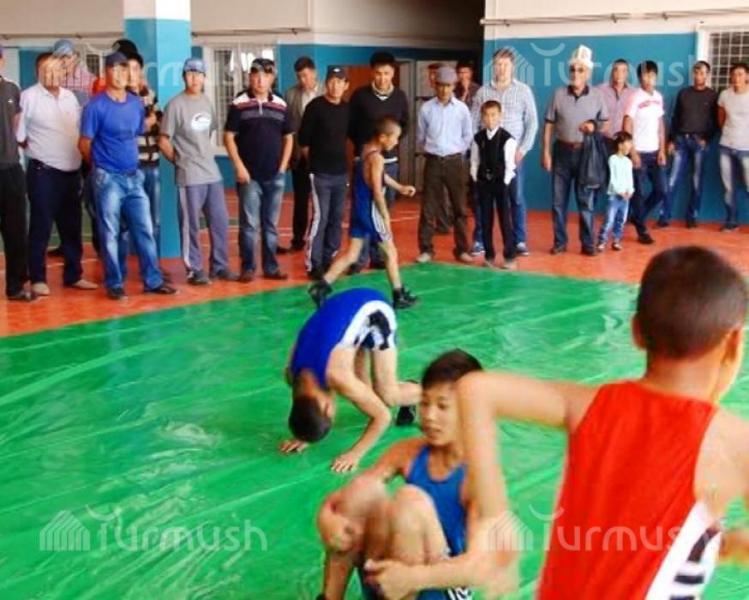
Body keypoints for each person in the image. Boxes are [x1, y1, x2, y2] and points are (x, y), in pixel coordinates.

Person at [457, 245, 749, 598]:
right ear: (735, 341)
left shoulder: (588, 405)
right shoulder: (735, 445)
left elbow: (476, 389)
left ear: (636, 331)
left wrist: (494, 518)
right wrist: (734, 544)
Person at [317, 350, 517, 599]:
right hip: (392, 577)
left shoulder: (479, 478)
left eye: (442, 406)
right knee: (363, 490)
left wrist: (413, 577)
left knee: (410, 502)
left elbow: (476, 568)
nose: (430, 416)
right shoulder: (409, 451)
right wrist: (327, 517)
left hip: (440, 585)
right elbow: (349, 496)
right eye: (424, 403)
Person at [281, 287, 422, 472]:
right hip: (342, 311)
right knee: (364, 393)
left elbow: (383, 417)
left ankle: (435, 392)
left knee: (388, 397)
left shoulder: (337, 375)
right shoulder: (293, 376)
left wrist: (355, 453)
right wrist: (304, 434)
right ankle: (408, 392)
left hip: (374, 309)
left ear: (328, 408)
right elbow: (304, 405)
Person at [79, 51, 176, 300]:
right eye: (115, 69)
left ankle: (153, 281)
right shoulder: (95, 106)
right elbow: (84, 143)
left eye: (125, 69)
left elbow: (134, 133)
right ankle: (114, 282)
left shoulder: (135, 104)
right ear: (106, 73)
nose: (121, 74)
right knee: (111, 233)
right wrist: (101, 168)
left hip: (134, 176)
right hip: (108, 178)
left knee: (144, 229)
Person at [307, 117, 418, 310]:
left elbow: (379, 175)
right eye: (395, 138)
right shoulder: (377, 158)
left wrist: (399, 187)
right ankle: (398, 294)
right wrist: (385, 216)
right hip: (370, 210)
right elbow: (377, 189)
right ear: (383, 137)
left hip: (358, 209)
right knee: (390, 251)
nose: (396, 142)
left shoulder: (366, 150)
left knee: (352, 254)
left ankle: (321, 286)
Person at [18, 53, 96, 296]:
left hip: (71, 173)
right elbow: (19, 135)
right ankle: (38, 278)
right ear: (38, 72)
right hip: (44, 173)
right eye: (47, 69)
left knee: (71, 228)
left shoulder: (70, 97)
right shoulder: (28, 97)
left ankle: (74, 275)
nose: (53, 74)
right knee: (41, 227)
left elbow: (77, 131)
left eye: (57, 69)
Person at [159, 58, 237, 285]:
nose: (195, 78)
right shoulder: (175, 105)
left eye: (199, 74)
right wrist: (180, 161)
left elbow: (207, 133)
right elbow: (163, 140)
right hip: (190, 175)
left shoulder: (206, 102)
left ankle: (220, 266)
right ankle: (194, 269)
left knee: (220, 221)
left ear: (204, 78)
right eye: (190, 74)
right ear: (184, 77)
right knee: (190, 224)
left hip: (211, 172)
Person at [224, 57, 293, 282]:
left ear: (272, 78)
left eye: (265, 76)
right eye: (256, 75)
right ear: (250, 77)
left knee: (271, 225)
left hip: (275, 175)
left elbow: (289, 137)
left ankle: (271, 267)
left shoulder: (281, 104)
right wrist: (239, 167)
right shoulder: (239, 103)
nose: (260, 80)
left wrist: (282, 167)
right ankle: (248, 267)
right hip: (249, 176)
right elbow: (228, 137)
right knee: (249, 225)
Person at [542, 45, 609, 256]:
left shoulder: (597, 96)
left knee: (586, 202)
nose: (575, 74)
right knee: (558, 202)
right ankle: (560, 242)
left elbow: (605, 123)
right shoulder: (558, 94)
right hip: (561, 151)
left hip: (586, 153)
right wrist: (545, 152)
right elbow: (549, 124)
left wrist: (593, 126)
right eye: (572, 69)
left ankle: (588, 244)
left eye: (580, 70)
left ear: (588, 73)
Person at [472, 48, 538, 258]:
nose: (501, 68)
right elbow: (474, 122)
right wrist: (477, 149)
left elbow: (532, 122)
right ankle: (480, 240)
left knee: (515, 197)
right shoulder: (483, 92)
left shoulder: (523, 91)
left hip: (513, 155)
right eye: (498, 64)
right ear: (493, 66)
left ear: (512, 67)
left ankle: (519, 240)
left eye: (505, 65)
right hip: (487, 156)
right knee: (484, 199)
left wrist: (523, 149)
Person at [348, 52, 410, 273]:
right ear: (372, 73)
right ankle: (358, 258)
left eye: (386, 73)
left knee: (384, 209)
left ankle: (378, 256)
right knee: (362, 209)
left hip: (389, 162)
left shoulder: (400, 97)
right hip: (365, 162)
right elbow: (351, 126)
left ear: (393, 73)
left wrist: (389, 146)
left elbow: (405, 125)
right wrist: (365, 150)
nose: (382, 78)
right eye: (378, 73)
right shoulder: (359, 96)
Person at [416, 66, 474, 265]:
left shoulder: (462, 109)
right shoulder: (426, 109)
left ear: (454, 86)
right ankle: (426, 249)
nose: (444, 90)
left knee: (460, 207)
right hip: (433, 161)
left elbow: (468, 135)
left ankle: (462, 250)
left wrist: (456, 151)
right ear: (435, 85)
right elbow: (421, 137)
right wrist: (433, 149)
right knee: (428, 207)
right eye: (440, 85)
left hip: (455, 162)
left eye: (448, 86)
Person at [298, 66, 350, 280]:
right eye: (332, 81)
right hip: (320, 174)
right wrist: (314, 164)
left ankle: (329, 258)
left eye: (340, 81)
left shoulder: (347, 109)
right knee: (321, 217)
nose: (335, 85)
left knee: (336, 218)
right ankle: (314, 264)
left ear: (346, 85)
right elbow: (303, 141)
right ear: (326, 83)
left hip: (341, 173)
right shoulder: (315, 107)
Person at [666, 61, 718, 229]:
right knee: (672, 180)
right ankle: (664, 217)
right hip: (681, 141)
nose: (698, 76)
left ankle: (692, 217)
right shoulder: (683, 93)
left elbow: (716, 121)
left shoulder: (713, 96)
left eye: (702, 73)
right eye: (696, 72)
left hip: (699, 143)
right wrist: (671, 140)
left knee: (697, 182)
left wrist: (707, 138)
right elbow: (675, 118)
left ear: (707, 75)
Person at [0, 44, 34, 301]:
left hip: (10, 169)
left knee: (15, 230)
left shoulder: (12, 89)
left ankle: (15, 286)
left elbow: (17, 126)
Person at [470, 100, 517, 270]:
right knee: (485, 219)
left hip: (501, 183)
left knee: (505, 219)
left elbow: (510, 165)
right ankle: (489, 255)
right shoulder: (478, 138)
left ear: (500, 116)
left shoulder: (507, 139)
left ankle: (510, 256)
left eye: (493, 115)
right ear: (482, 117)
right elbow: (474, 161)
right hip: (484, 183)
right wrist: (476, 178)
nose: (490, 119)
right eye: (486, 115)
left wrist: (504, 183)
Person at [623, 60, 667, 242]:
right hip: (638, 152)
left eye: (651, 75)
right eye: (645, 75)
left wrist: (662, 150)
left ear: (656, 77)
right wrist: (632, 152)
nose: (648, 79)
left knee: (661, 190)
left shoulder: (658, 97)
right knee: (638, 193)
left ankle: (637, 217)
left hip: (655, 152)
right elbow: (627, 124)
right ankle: (642, 231)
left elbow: (660, 125)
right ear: (640, 78)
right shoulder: (634, 97)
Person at [126, 52, 163, 258]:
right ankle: (134, 261)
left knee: (154, 219)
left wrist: (153, 122)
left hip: (153, 165)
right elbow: (125, 130)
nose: (132, 74)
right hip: (133, 168)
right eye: (128, 69)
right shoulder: (120, 98)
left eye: (135, 69)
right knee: (134, 219)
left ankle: (151, 262)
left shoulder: (149, 94)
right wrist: (145, 123)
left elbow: (159, 123)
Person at [285, 56, 321, 252]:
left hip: (321, 156)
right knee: (300, 200)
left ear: (314, 73)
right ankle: (298, 240)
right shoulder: (291, 94)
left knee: (320, 201)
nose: (303, 80)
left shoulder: (326, 91)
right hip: (299, 156)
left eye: (306, 75)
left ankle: (318, 239)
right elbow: (288, 127)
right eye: (299, 77)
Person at [455, 59, 482, 256]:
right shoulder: (454, 91)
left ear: (471, 73)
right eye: (460, 72)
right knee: (459, 181)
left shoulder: (479, 91)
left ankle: (474, 207)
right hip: (458, 145)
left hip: (476, 143)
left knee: (476, 181)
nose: (463, 76)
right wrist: (463, 94)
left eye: (466, 72)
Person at [718, 62, 749, 232]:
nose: (736, 78)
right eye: (734, 74)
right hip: (726, 147)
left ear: (747, 76)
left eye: (740, 74)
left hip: (746, 149)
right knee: (728, 188)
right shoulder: (725, 95)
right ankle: (732, 221)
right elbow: (721, 119)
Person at [596, 131, 634, 252]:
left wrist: (630, 191)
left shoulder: (628, 162)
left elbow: (630, 179)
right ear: (620, 145)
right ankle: (602, 241)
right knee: (609, 220)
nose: (630, 146)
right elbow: (613, 178)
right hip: (614, 196)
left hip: (625, 198)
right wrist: (619, 191)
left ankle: (616, 240)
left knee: (621, 220)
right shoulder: (613, 159)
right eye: (628, 143)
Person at [597, 59, 635, 150]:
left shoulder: (633, 93)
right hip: (603, 140)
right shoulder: (600, 90)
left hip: (624, 142)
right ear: (611, 72)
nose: (619, 74)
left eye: (623, 71)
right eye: (616, 70)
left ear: (627, 73)